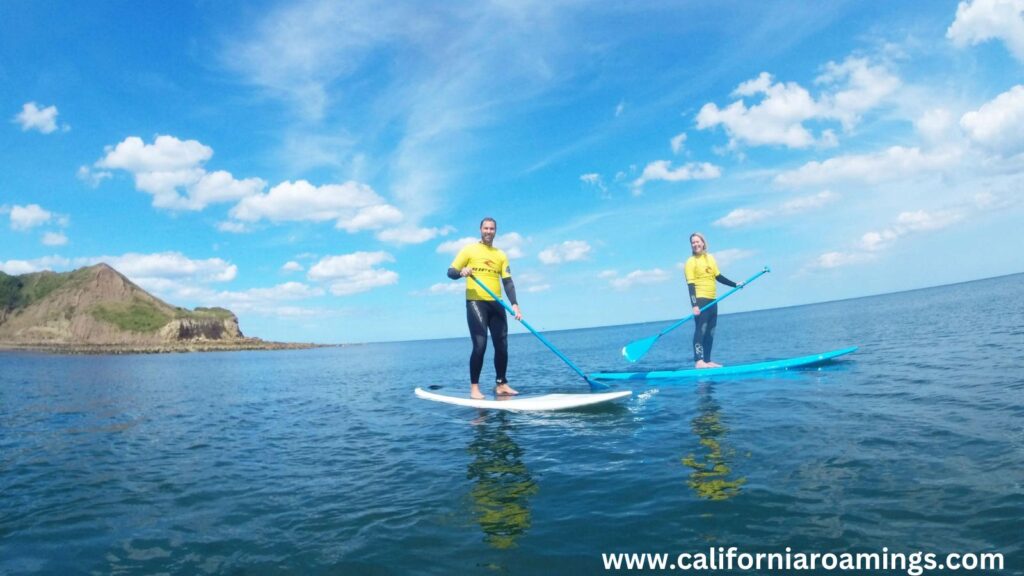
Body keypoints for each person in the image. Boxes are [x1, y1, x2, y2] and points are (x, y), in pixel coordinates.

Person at [448, 217, 522, 399]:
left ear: (495, 231)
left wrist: (514, 304)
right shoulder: (469, 250)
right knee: (480, 345)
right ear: (480, 229)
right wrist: (461, 272)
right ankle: (474, 388)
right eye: (486, 228)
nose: (489, 231)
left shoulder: (500, 255)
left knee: (502, 345)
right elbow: (450, 272)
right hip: (476, 302)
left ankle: (501, 384)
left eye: (492, 228)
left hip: (497, 303)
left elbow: (508, 281)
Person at [684, 232, 744, 369]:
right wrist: (694, 305)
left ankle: (707, 360)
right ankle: (698, 361)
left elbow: (718, 276)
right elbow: (691, 286)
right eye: (692, 242)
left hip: (713, 300)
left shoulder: (710, 258)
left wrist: (735, 284)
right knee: (701, 329)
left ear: (703, 243)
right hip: (700, 300)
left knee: (711, 331)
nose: (695, 244)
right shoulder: (690, 262)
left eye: (697, 241)